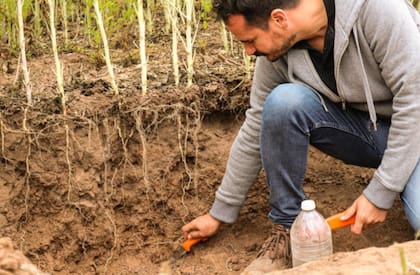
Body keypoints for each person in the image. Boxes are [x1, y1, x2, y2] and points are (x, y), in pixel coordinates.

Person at [182, 0, 420, 272]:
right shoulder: (279, 49)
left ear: (279, 19)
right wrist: (219, 213)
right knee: (284, 102)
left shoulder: (377, 10)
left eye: (249, 41)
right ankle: (287, 227)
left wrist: (381, 192)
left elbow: (415, 101)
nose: (249, 51)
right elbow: (257, 122)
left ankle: (404, 176)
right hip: (371, 134)